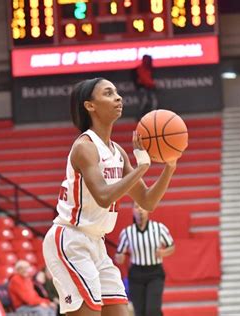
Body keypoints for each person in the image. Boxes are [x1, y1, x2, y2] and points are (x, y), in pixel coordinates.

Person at [42, 78, 178, 316]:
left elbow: (147, 201)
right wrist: (141, 169)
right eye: (108, 93)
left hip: (97, 242)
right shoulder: (85, 147)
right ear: (90, 106)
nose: (118, 97)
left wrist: (169, 168)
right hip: (71, 240)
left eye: (117, 92)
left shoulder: (118, 152)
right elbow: (103, 197)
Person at [115, 203, 175, 316]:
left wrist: (163, 252)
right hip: (136, 274)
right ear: (132, 210)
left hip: (155, 273)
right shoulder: (127, 232)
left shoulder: (159, 228)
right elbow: (119, 255)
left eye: (143, 207)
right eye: (137, 207)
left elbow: (172, 246)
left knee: (153, 310)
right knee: (140, 311)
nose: (140, 210)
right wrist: (120, 258)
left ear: (148, 210)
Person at [134, 55, 158, 120]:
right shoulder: (141, 68)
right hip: (143, 87)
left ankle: (152, 117)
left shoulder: (149, 69)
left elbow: (149, 78)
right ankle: (139, 117)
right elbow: (144, 79)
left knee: (153, 102)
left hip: (149, 88)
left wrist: (152, 84)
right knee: (144, 102)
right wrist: (152, 84)